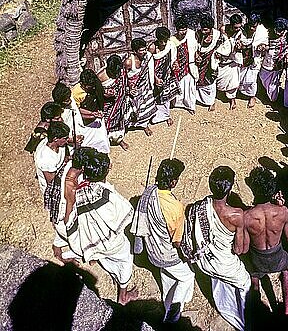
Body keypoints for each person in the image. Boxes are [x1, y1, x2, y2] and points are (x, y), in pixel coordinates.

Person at [181, 166, 251, 331]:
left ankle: (224, 305)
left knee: (218, 281)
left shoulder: (199, 207)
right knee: (245, 283)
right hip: (224, 263)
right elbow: (239, 250)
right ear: (230, 188)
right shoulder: (236, 215)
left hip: (205, 263)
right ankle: (240, 317)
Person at [65, 150, 138, 305]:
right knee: (125, 262)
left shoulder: (77, 191)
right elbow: (128, 214)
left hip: (93, 244)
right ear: (106, 171)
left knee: (106, 260)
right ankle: (123, 295)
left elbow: (70, 220)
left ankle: (113, 274)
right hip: (114, 244)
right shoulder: (106, 193)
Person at [131, 158, 195, 324]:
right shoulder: (175, 207)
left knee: (166, 275)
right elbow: (177, 242)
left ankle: (167, 302)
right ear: (173, 182)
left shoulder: (149, 192)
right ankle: (173, 315)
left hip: (152, 249)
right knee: (187, 276)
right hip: (166, 253)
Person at [244, 167, 288, 316]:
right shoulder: (282, 211)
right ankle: (287, 309)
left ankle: (257, 307)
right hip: (277, 257)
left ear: (253, 190)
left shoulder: (246, 216)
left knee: (254, 276)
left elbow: (245, 248)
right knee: (286, 271)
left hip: (257, 259)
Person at [52, 80, 110, 154]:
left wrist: (92, 114)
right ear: (60, 102)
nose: (70, 101)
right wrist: (73, 139)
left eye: (69, 98)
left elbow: (78, 111)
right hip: (71, 140)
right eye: (67, 101)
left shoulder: (70, 100)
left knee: (100, 131)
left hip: (81, 129)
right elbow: (60, 136)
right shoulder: (59, 115)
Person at [195, 14, 231, 111]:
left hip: (210, 62)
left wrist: (220, 54)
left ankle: (211, 101)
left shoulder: (218, 36)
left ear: (211, 28)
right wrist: (196, 55)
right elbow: (193, 47)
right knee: (198, 81)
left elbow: (227, 46)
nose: (203, 31)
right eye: (202, 29)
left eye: (206, 30)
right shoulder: (198, 34)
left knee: (210, 81)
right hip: (199, 62)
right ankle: (200, 99)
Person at [124, 38, 157, 136]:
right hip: (135, 90)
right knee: (135, 108)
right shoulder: (129, 62)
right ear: (134, 51)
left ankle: (144, 124)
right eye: (141, 50)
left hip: (145, 86)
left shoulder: (147, 57)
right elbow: (123, 78)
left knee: (145, 105)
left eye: (144, 49)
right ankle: (134, 124)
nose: (143, 52)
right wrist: (129, 89)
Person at [150, 26, 181, 127]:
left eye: (165, 41)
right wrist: (155, 78)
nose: (163, 44)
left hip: (167, 74)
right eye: (161, 41)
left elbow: (173, 59)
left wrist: (175, 65)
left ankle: (166, 115)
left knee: (166, 96)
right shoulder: (152, 48)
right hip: (155, 76)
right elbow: (149, 66)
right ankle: (158, 116)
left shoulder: (171, 45)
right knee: (157, 96)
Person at [98, 54, 130, 150]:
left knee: (119, 121)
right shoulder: (101, 76)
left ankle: (119, 139)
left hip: (119, 102)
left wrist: (129, 89)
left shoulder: (121, 70)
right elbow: (97, 93)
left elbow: (125, 82)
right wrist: (105, 94)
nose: (116, 75)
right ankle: (106, 141)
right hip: (108, 105)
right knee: (107, 123)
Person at [238, 13, 269, 108]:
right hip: (244, 57)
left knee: (252, 79)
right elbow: (239, 39)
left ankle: (252, 96)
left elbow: (266, 45)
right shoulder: (244, 29)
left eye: (254, 26)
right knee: (241, 76)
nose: (251, 28)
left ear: (258, 24)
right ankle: (241, 92)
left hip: (255, 58)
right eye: (250, 25)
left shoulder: (262, 31)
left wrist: (262, 46)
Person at [259, 18, 288, 104]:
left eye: (280, 31)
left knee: (274, 83)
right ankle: (266, 92)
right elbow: (261, 43)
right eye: (277, 30)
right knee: (263, 77)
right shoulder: (268, 33)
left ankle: (273, 99)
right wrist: (264, 47)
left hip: (278, 63)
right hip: (267, 61)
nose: (278, 33)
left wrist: (287, 54)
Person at [170, 16, 199, 115]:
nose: (183, 32)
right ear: (177, 30)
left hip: (189, 66)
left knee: (190, 87)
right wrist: (174, 63)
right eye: (181, 30)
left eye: (185, 29)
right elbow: (171, 55)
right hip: (179, 68)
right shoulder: (172, 40)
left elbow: (195, 47)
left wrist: (196, 54)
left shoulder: (191, 35)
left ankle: (190, 105)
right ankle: (178, 104)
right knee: (180, 86)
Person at [217, 14, 244, 110]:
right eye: (235, 27)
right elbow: (219, 41)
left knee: (234, 81)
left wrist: (239, 46)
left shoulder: (240, 32)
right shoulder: (223, 29)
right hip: (222, 58)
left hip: (233, 58)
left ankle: (232, 99)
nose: (237, 29)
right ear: (231, 24)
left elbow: (241, 44)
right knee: (221, 79)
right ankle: (220, 94)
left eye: (239, 27)